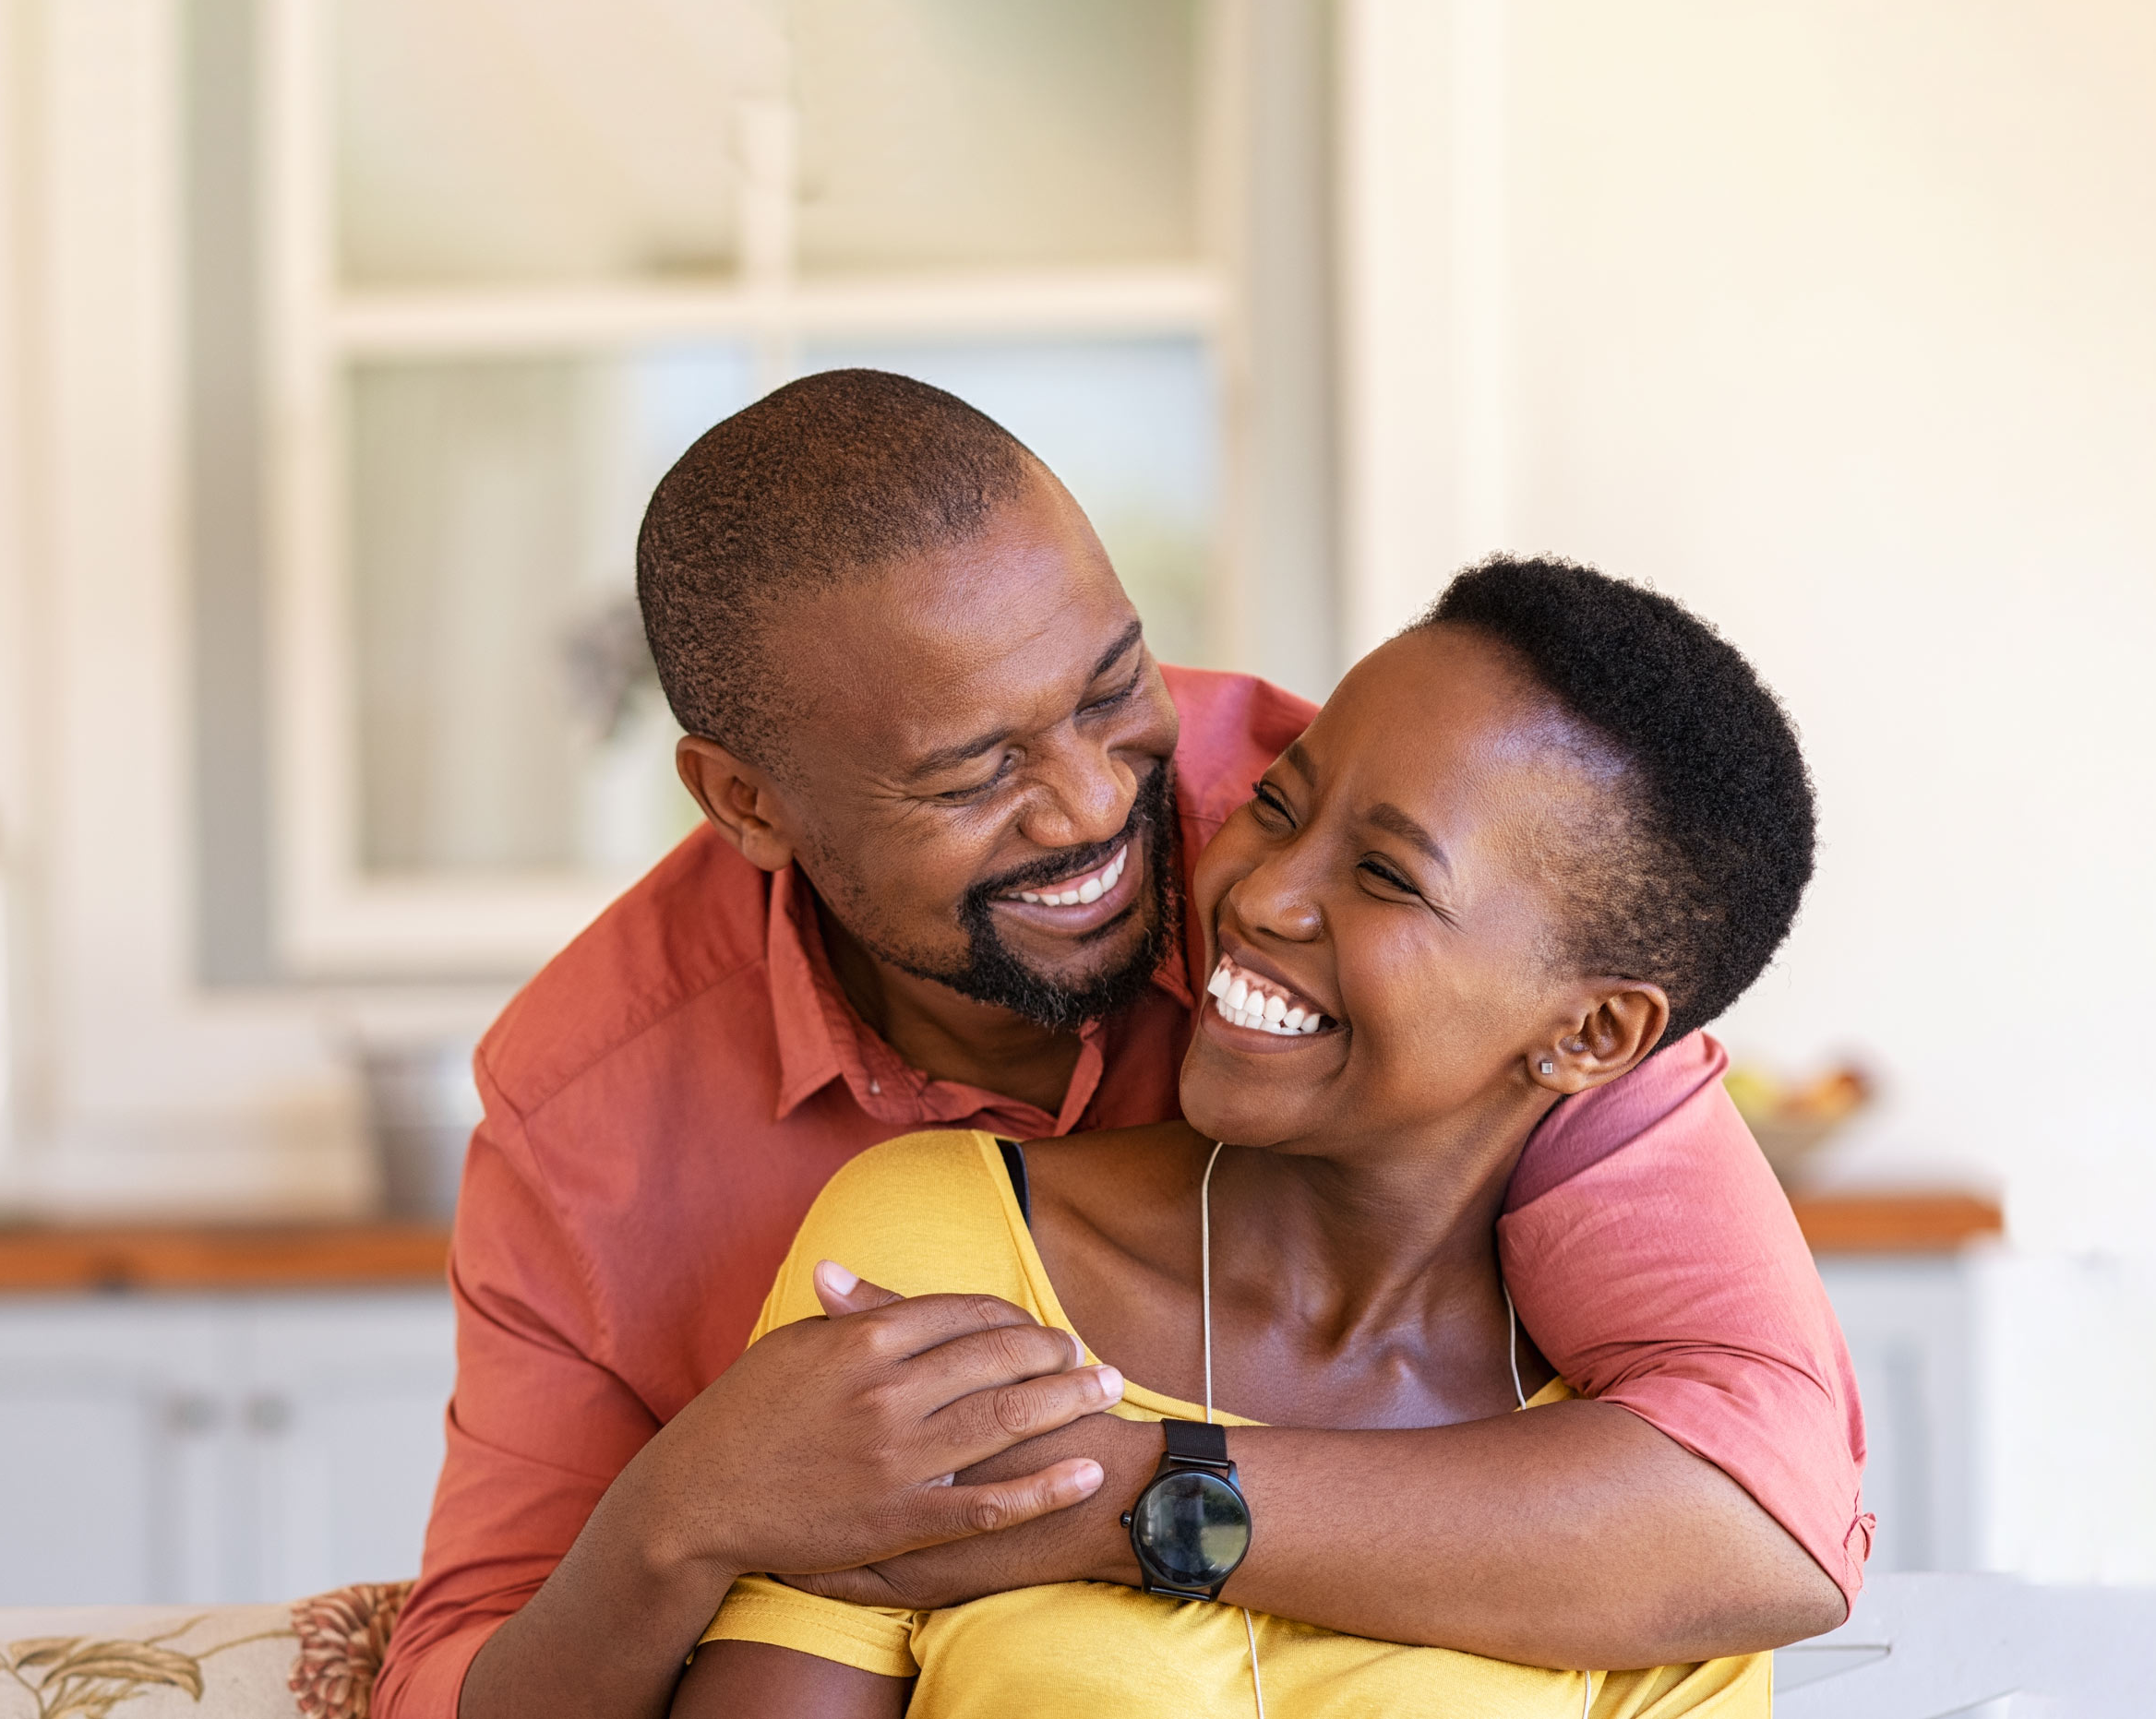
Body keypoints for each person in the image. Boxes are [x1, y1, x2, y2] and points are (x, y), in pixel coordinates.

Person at [377, 373, 1863, 1719]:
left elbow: (1766, 1500)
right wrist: (683, 1511)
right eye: (977, 769)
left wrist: (1117, 1497)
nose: (1095, 805)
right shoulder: (591, 1107)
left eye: (1110, 690)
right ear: (748, 806)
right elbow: (468, 1678)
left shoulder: (1396, 868)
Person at [673, 557, 1803, 1716]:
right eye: (1278, 803)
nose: (1262, 896)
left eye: (1385, 875)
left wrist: (1112, 1500)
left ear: (1593, 1032)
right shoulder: (949, 1245)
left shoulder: (1655, 1526)